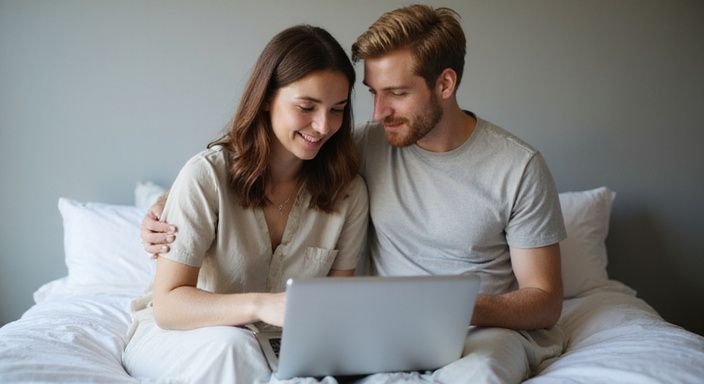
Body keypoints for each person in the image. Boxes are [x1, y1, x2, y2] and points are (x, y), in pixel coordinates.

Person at [143, 5, 566, 383]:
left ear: (445, 84)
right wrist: (166, 205)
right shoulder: (363, 149)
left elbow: (545, 301)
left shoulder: (517, 168)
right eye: (372, 94)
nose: (378, 113)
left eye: (397, 94)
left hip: (479, 332)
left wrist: (451, 308)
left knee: (477, 375)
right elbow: (228, 168)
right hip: (370, 336)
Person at [123, 25, 368, 383]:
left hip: (281, 346)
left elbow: (335, 305)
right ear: (268, 97)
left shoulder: (348, 193)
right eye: (306, 106)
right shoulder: (207, 176)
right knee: (232, 349)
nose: (323, 125)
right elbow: (169, 306)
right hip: (183, 337)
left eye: (338, 109)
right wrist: (260, 305)